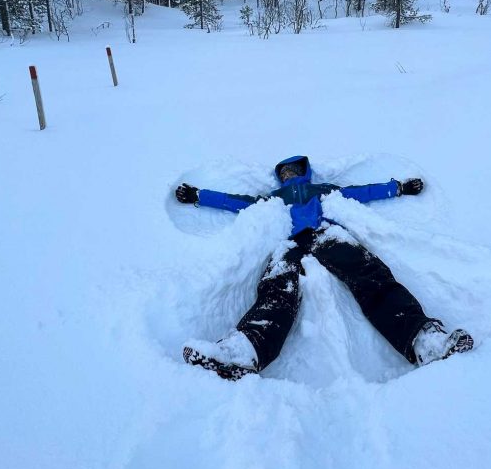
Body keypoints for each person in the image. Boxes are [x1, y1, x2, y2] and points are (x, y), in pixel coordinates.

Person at [175, 155, 473, 380]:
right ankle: (242, 351)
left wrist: (398, 188)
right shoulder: (272, 199)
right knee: (277, 291)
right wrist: (199, 195)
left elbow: (363, 192)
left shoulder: (323, 189)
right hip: (287, 243)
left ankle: (425, 340)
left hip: (328, 235)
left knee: (371, 278)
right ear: (280, 177)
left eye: (295, 169)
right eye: (285, 171)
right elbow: (234, 201)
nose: (290, 174)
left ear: (305, 171)